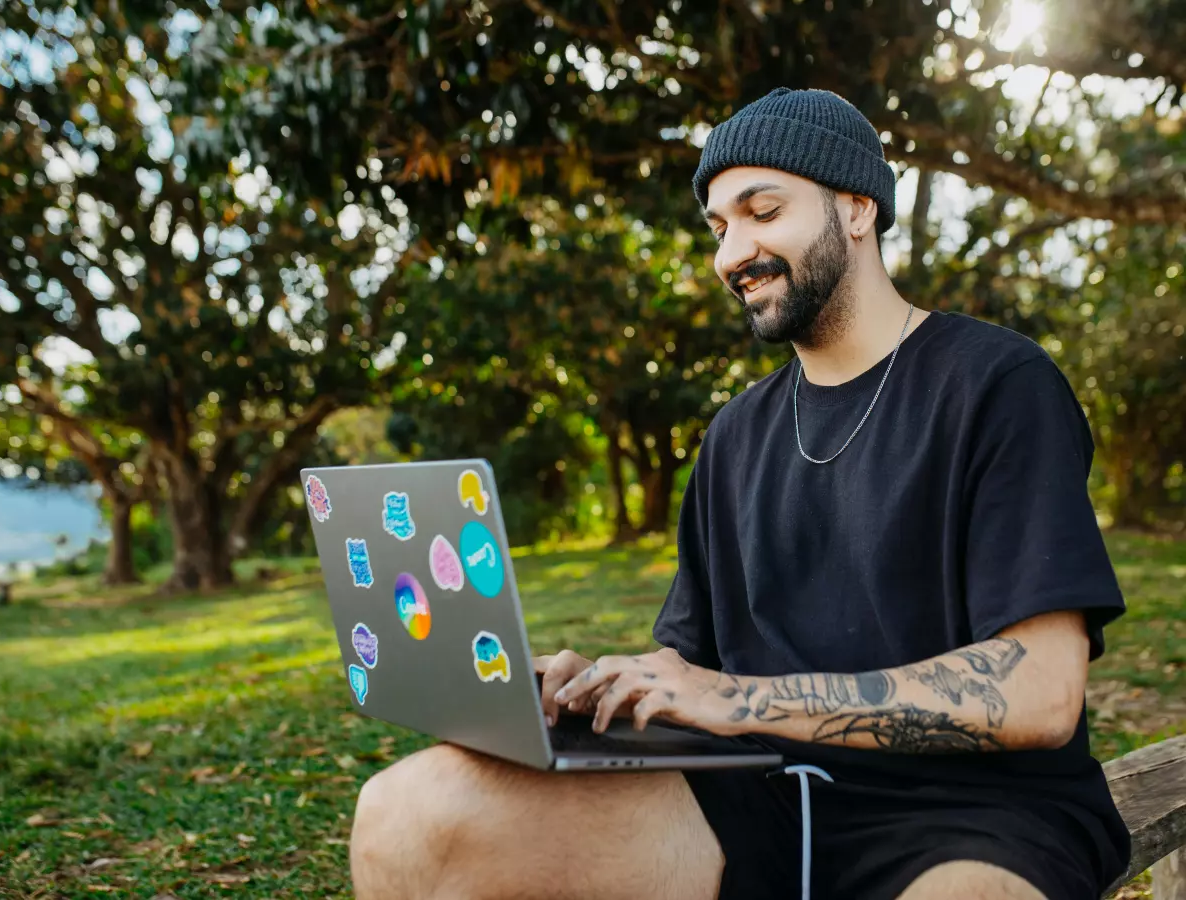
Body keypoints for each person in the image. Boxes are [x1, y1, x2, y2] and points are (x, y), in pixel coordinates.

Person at [348, 88, 1132, 900]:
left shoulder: (999, 384)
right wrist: (601, 686)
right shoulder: (735, 435)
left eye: (763, 211)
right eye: (720, 228)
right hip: (761, 794)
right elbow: (694, 664)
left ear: (856, 209)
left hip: (981, 814)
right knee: (405, 814)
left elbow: (1040, 692)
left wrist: (737, 698)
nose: (734, 253)